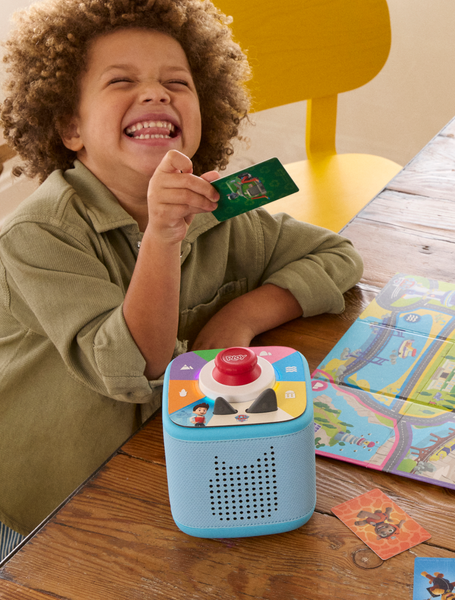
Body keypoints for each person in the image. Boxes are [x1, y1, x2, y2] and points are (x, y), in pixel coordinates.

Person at [0, 0, 363, 550]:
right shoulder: (34, 235)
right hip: (55, 503)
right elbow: (136, 364)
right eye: (121, 80)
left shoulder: (221, 201)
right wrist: (163, 235)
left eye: (178, 82)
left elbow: (338, 257)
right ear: (70, 126)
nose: (155, 93)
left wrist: (242, 315)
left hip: (186, 467)